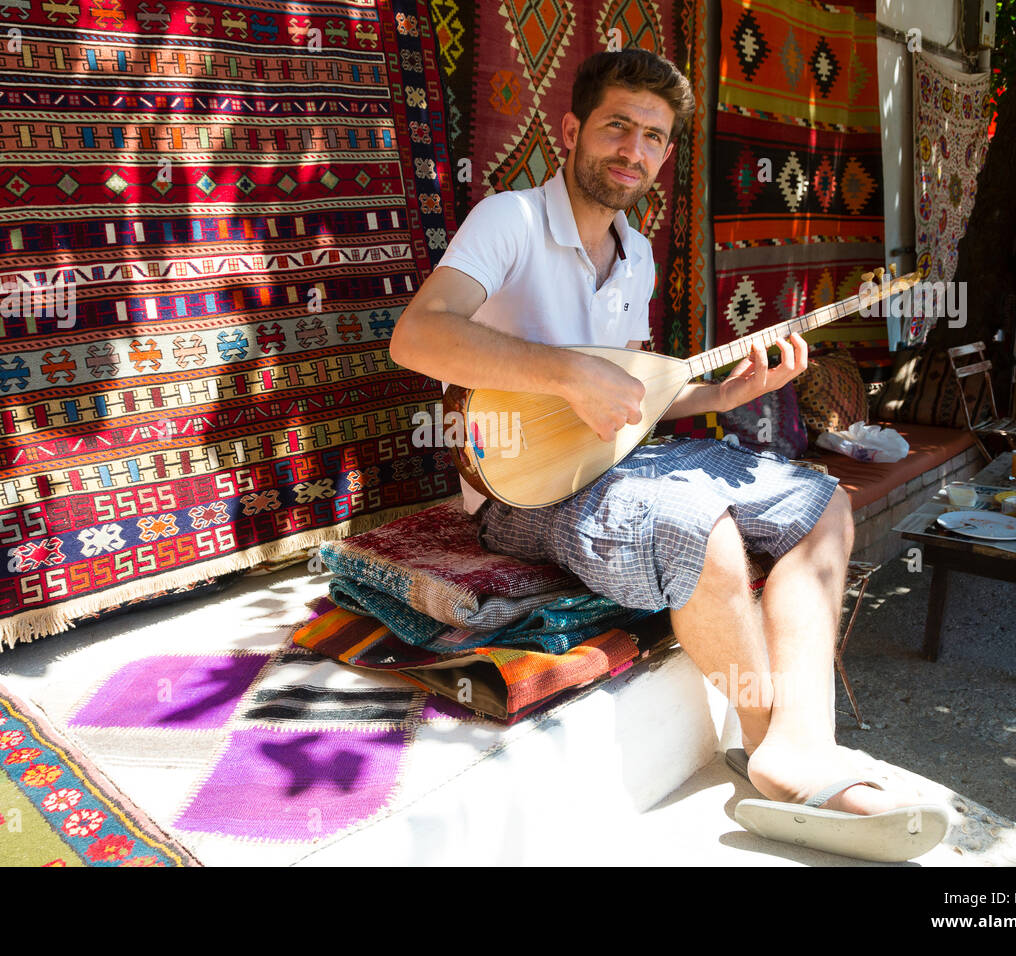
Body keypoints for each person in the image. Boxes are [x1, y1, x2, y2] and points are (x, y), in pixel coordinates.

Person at [390, 49, 948, 862]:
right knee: (702, 524)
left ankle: (800, 741)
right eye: (618, 126)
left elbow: (630, 398)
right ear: (573, 129)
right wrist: (567, 371)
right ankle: (786, 767)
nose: (635, 150)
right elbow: (419, 336)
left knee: (823, 504)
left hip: (613, 463)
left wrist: (717, 397)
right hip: (519, 486)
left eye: (654, 137)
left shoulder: (639, 252)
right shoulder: (509, 219)